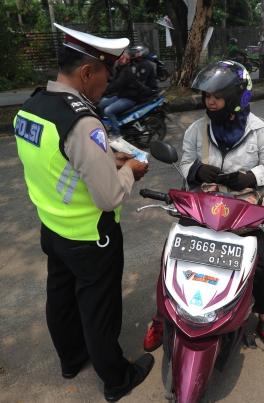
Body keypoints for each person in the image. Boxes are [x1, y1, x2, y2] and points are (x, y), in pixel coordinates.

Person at [13, 24, 152, 402]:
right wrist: (129, 170)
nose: (108, 84)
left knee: (60, 297)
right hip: (90, 235)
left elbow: (59, 164)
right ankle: (117, 378)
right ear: (87, 72)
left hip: (52, 228)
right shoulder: (82, 121)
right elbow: (108, 197)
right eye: (107, 74)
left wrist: (108, 159)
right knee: (98, 308)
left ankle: (71, 360)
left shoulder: (32, 106)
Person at [143, 60, 264, 363]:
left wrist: (250, 178)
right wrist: (196, 171)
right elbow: (183, 162)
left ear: (237, 98)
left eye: (217, 97)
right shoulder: (197, 130)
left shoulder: (259, 131)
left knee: (261, 268)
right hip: (202, 210)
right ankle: (161, 317)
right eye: (207, 96)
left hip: (243, 215)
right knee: (172, 257)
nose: (210, 102)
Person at [98, 49, 145, 137]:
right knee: (101, 104)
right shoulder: (121, 69)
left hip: (129, 98)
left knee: (108, 111)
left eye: (117, 59)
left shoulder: (127, 70)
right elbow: (114, 81)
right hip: (121, 96)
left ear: (122, 59)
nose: (115, 62)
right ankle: (109, 124)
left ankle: (117, 134)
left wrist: (104, 93)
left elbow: (117, 84)